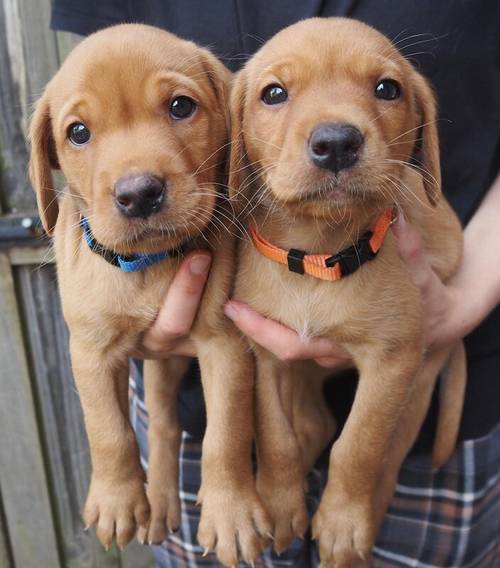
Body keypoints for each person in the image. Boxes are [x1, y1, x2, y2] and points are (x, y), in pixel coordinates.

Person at [51, 2, 500, 566]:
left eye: (385, 89)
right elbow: (98, 97)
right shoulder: (216, 207)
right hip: (205, 419)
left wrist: (471, 295)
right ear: (238, 137)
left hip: (452, 348)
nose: (333, 130)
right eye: (274, 94)